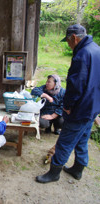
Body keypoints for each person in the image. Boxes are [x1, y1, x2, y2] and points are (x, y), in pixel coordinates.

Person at [36, 24, 100, 183]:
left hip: (80, 108)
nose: (69, 45)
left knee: (65, 140)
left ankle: (54, 173)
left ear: (74, 38)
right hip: (93, 106)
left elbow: (75, 85)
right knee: (82, 138)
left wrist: (67, 106)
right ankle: (78, 169)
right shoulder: (96, 49)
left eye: (69, 42)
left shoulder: (82, 55)